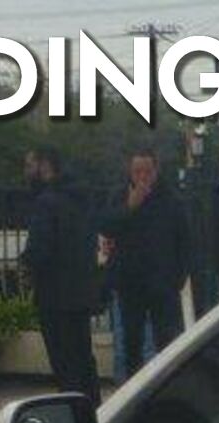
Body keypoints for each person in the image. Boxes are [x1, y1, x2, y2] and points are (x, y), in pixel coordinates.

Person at [21, 146, 102, 397]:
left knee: (65, 365)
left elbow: (40, 249)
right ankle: (94, 411)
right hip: (80, 293)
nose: (26, 172)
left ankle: (75, 416)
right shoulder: (80, 199)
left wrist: (27, 264)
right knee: (83, 359)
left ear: (44, 166)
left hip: (54, 295)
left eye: (30, 165)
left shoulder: (46, 203)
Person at [102, 151, 188, 376]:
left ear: (156, 171)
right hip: (130, 283)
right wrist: (130, 207)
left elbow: (185, 241)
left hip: (162, 284)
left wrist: (176, 278)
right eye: (136, 171)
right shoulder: (120, 196)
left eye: (147, 171)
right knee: (131, 342)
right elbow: (107, 226)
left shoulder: (171, 200)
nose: (142, 177)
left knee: (167, 342)